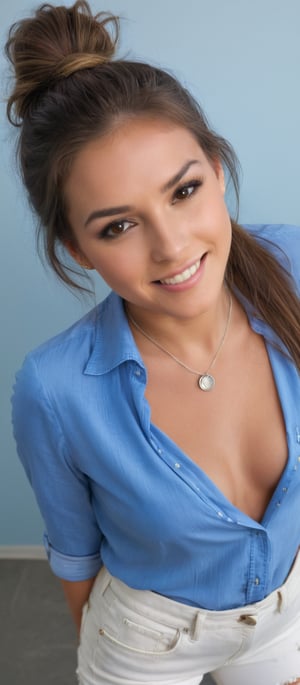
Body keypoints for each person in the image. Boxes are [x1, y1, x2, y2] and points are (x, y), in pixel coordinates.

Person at [6, 2, 300, 684]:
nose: (172, 247)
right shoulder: (54, 388)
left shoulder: (290, 266)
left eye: (185, 190)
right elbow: (75, 556)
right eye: (117, 227)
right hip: (145, 642)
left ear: (219, 171)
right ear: (75, 248)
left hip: (283, 614)